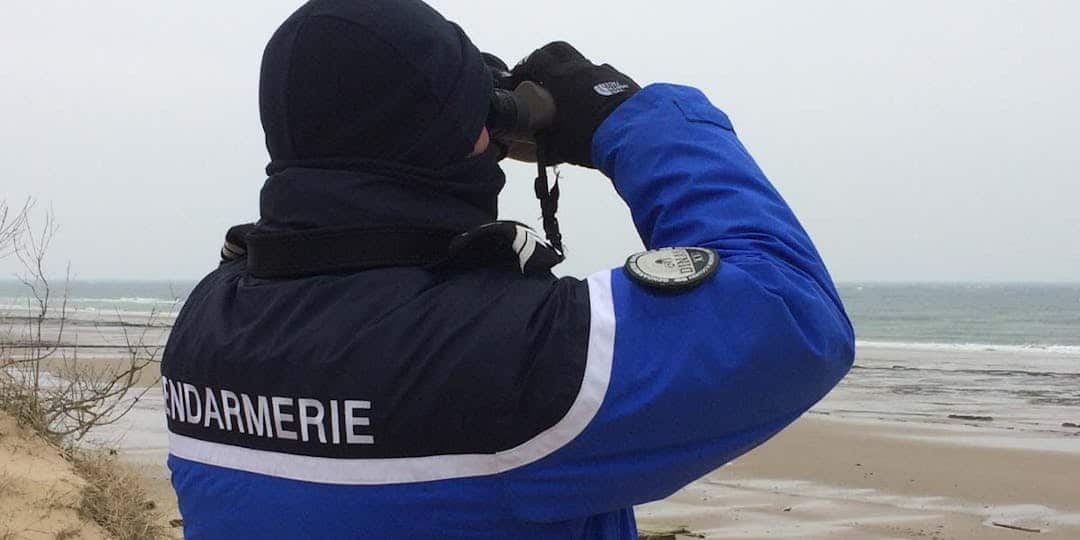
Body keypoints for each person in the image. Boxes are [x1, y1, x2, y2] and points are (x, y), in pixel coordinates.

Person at [160, 0, 854, 538]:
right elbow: (789, 310)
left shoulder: (212, 322)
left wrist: (452, 115)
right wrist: (634, 117)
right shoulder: (513, 365)